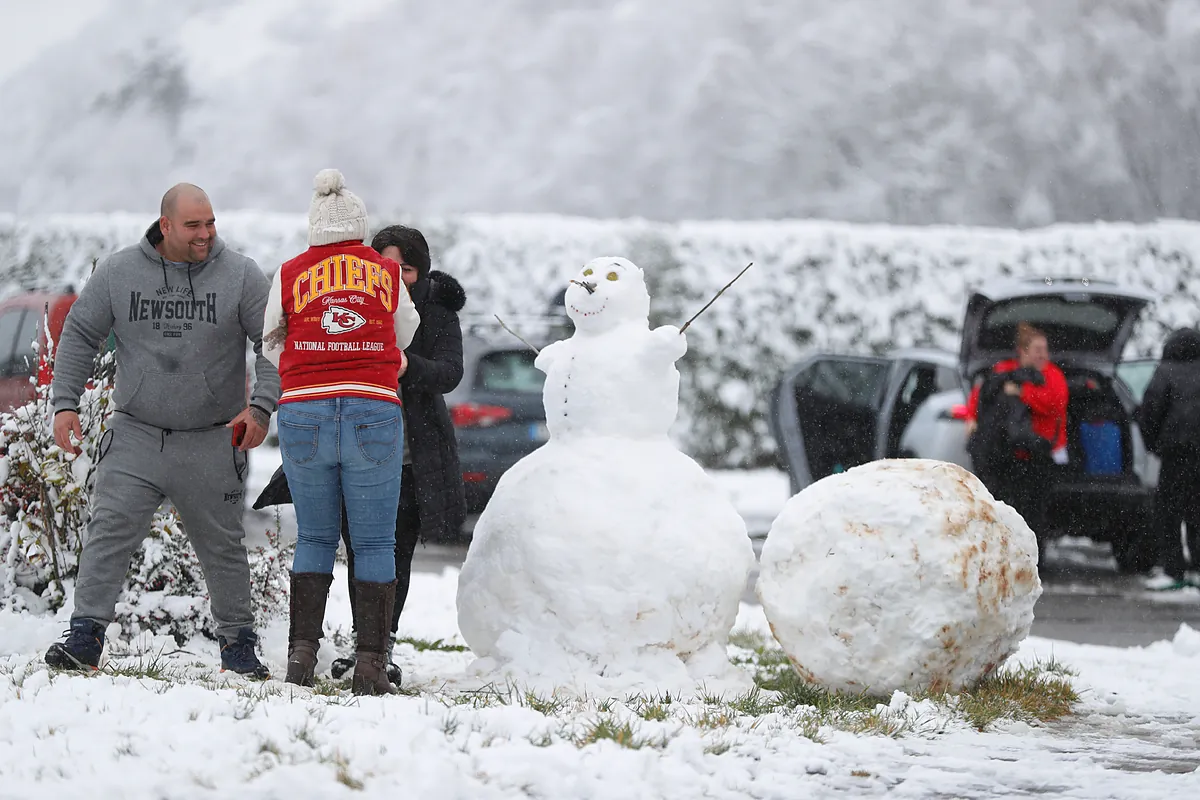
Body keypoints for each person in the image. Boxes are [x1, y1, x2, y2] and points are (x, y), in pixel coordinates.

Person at [45, 183, 280, 678]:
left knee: (223, 548)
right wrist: (64, 404)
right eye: (194, 225)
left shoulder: (240, 275)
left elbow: (274, 342)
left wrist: (260, 408)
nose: (206, 233)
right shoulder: (119, 272)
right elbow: (81, 334)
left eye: (211, 222)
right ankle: (84, 635)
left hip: (213, 437)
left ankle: (238, 644)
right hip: (136, 433)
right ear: (166, 225)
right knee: (108, 531)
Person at [263, 169, 420, 695]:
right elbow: (407, 330)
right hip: (373, 410)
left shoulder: (289, 273)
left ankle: (300, 658)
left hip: (304, 413)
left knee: (313, 536)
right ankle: (371, 665)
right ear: (358, 227)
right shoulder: (385, 272)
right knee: (375, 541)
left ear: (314, 228)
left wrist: (310, 365)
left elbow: (269, 342)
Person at [330, 225, 467, 683]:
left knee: (395, 553)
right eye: (385, 266)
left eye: (404, 268)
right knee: (359, 549)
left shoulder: (439, 312)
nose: (394, 276)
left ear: (420, 270)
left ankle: (381, 644)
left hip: (413, 452)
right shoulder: (352, 302)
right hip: (356, 448)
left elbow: (450, 372)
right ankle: (360, 642)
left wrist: (408, 366)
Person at [965, 322, 1068, 540]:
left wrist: (1022, 393)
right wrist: (971, 418)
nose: (1043, 355)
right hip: (1006, 457)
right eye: (1038, 350)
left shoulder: (1053, 376)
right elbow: (980, 394)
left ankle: (1036, 559)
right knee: (1004, 509)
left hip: (1039, 454)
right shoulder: (1004, 370)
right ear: (1024, 351)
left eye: (1045, 350)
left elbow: (1054, 403)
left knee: (1034, 512)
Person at [1137, 327, 1200, 591]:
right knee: (1197, 513)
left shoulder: (1165, 372)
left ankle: (1173, 569)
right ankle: (1197, 569)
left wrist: (1155, 447)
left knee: (1169, 512)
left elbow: (1149, 413)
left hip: (1175, 455)